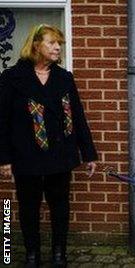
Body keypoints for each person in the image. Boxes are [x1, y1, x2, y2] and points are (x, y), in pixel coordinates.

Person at [0, 24, 98, 268]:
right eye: (52, 43)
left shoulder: (64, 78)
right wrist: (3, 159)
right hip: (26, 155)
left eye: (59, 44)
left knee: (60, 207)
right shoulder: (12, 78)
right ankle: (32, 254)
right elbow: (1, 122)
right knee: (29, 207)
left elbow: (77, 117)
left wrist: (89, 155)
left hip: (59, 154)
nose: (57, 48)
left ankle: (58, 254)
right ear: (36, 46)